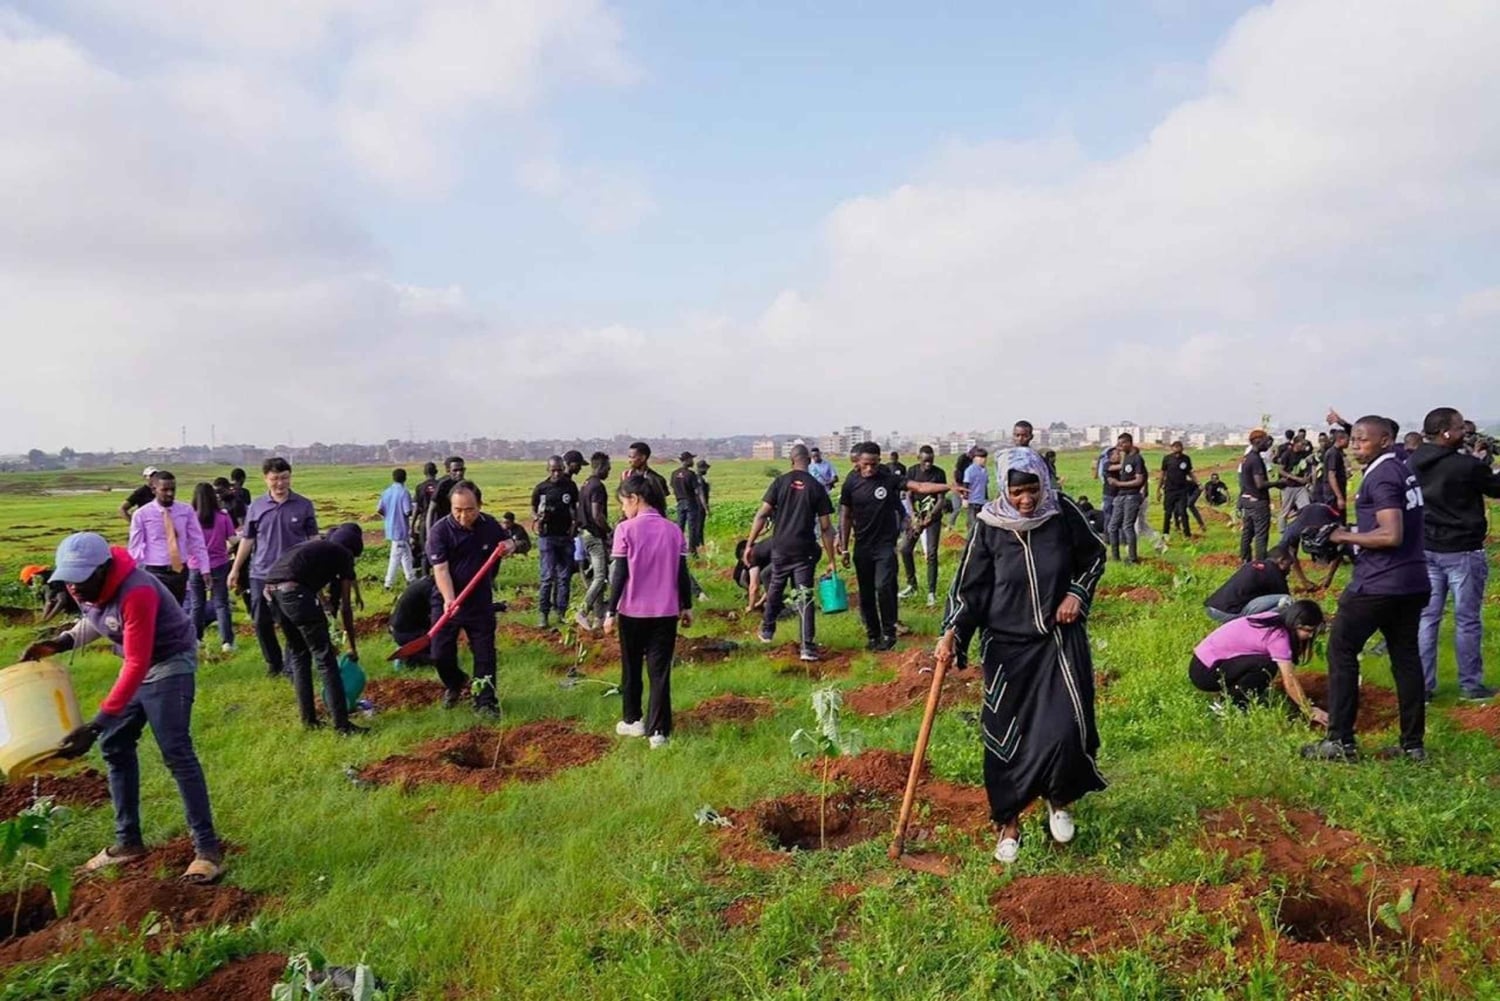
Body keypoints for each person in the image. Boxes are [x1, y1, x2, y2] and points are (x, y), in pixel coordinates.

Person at [935, 448, 1107, 864]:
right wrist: (953, 631)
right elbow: (970, 588)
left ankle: (1059, 799)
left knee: (1065, 728)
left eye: (1032, 489)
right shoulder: (989, 526)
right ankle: (1009, 824)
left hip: (1056, 640)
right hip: (1006, 646)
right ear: (1003, 489)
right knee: (1005, 738)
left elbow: (1094, 555)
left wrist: (1075, 593)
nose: (1026, 500)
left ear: (1044, 484)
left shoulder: (1061, 512)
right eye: (1017, 492)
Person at [20, 533, 223, 883]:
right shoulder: (82, 587)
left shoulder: (137, 591)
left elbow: (137, 663)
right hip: (138, 662)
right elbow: (98, 618)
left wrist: (96, 723)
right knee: (115, 745)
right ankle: (127, 842)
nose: (75, 587)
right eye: (69, 579)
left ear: (105, 569)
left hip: (170, 661)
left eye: (82, 579)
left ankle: (208, 850)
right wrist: (61, 641)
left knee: (176, 751)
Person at [1303, 416, 1431, 763]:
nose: (1356, 444)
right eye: (1353, 438)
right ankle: (1413, 746)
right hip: (1412, 581)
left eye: (1363, 439)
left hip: (1379, 583)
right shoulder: (1401, 467)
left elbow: (1391, 535)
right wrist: (1358, 531)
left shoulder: (1382, 475)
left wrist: (1342, 535)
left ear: (1386, 441)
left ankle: (1340, 741)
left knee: (1341, 651)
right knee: (1406, 659)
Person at [1410, 407, 1500, 701]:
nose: (1466, 432)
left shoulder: (1412, 462)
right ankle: (1471, 685)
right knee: (1467, 619)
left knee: (1427, 618)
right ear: (1446, 432)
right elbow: (1496, 488)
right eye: (1461, 427)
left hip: (1427, 548)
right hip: (1463, 550)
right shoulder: (1466, 466)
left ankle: (1423, 686)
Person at [604, 476, 693, 749]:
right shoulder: (674, 530)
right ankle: (659, 733)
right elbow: (682, 574)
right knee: (659, 674)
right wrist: (686, 606)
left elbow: (619, 574)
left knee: (631, 668)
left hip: (632, 613)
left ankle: (633, 720)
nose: (623, 510)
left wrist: (610, 610)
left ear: (635, 499)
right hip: (666, 613)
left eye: (623, 503)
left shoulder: (625, 529)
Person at [839, 441, 949, 651]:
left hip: (885, 545)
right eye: (865, 464)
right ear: (858, 463)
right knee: (867, 593)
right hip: (862, 547)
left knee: (883, 587)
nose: (869, 468)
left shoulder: (888, 478)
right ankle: (873, 636)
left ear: (879, 461)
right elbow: (845, 514)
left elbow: (919, 487)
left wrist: (950, 486)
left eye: (873, 463)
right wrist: (844, 547)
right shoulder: (851, 482)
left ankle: (889, 632)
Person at [261, 527, 367, 734]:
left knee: (300, 654)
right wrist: (352, 646)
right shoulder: (343, 554)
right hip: (293, 592)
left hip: (271, 593)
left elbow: (305, 576)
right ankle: (342, 726)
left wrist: (323, 602)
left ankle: (309, 720)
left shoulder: (317, 547)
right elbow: (346, 607)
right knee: (325, 658)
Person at [744, 443, 839, 661]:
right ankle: (807, 647)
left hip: (780, 547)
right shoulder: (816, 487)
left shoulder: (780, 482)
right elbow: (826, 527)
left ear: (791, 460)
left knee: (776, 584)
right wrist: (831, 559)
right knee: (804, 595)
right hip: (804, 550)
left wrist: (750, 544)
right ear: (808, 460)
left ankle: (767, 629)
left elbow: (762, 515)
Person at [428, 481, 515, 716]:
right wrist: (449, 599)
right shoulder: (440, 531)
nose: (462, 515)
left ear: (479, 505)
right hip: (447, 601)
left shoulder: (489, 525)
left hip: (479, 600)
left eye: (469, 509)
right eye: (457, 510)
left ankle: (485, 701)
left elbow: (510, 541)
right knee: (439, 654)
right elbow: (441, 570)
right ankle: (456, 683)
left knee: (485, 653)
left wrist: (510, 545)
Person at [228, 457, 319, 678]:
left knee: (291, 622)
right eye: (275, 479)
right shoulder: (256, 507)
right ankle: (273, 663)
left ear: (290, 477)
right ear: (265, 479)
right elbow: (247, 540)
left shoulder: (303, 505)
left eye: (284, 478)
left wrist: (318, 568)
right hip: (261, 573)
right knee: (261, 622)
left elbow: (313, 538)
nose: (280, 483)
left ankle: (292, 665)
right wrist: (236, 569)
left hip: (293, 574)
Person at [1189, 601, 1327, 722]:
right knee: (1266, 667)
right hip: (1205, 672)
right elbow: (1289, 680)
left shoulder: (1272, 618)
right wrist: (1309, 709)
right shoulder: (1279, 637)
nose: (1309, 635)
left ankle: (1233, 694)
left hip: (1203, 663)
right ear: (1295, 623)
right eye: (1308, 630)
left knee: (1264, 664)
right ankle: (1229, 706)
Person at [127, 470, 210, 605]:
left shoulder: (186, 511)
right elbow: (135, 547)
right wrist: (131, 574)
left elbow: (197, 541)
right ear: (154, 490)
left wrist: (205, 569)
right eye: (165, 490)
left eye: (172, 489)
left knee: (177, 611)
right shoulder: (142, 514)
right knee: (157, 611)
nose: (170, 494)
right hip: (155, 571)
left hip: (179, 571)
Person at [186, 483, 236, 652]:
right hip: (219, 564)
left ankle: (196, 639)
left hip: (195, 566)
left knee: (196, 604)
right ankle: (227, 642)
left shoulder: (190, 518)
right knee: (221, 604)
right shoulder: (223, 517)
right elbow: (233, 540)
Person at [529, 456, 577, 629]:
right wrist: (537, 518)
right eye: (553, 470)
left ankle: (561, 612)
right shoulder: (541, 488)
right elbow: (533, 508)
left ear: (563, 468)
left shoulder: (570, 486)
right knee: (547, 577)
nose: (556, 473)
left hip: (565, 537)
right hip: (547, 537)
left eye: (559, 469)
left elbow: (574, 508)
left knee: (564, 578)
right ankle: (543, 614)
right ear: (547, 470)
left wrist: (574, 525)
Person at [898, 445, 947, 606]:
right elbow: (909, 495)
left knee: (931, 553)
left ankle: (931, 592)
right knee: (905, 548)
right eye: (925, 461)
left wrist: (931, 516)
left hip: (933, 517)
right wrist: (913, 516)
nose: (928, 464)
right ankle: (912, 585)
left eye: (931, 461)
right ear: (919, 459)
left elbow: (941, 499)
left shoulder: (939, 473)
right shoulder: (912, 471)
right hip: (917, 517)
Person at [575, 452, 614, 631]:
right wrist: (610, 531)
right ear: (601, 466)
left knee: (601, 576)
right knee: (600, 576)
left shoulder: (585, 484)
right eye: (608, 466)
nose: (610, 470)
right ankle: (582, 611)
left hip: (585, 534)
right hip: (594, 536)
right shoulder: (597, 486)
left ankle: (598, 618)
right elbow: (597, 515)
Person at [1204, 546, 1294, 622]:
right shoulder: (1274, 572)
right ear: (1281, 561)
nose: (1290, 570)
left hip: (1212, 608)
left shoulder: (1253, 564)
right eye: (1289, 565)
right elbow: (1288, 599)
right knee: (1286, 601)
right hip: (1228, 613)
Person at [1105, 434, 1147, 562]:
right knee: (1112, 527)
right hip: (1120, 496)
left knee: (1127, 526)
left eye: (1122, 443)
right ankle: (1115, 557)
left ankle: (1132, 558)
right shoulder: (1125, 459)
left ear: (1129, 443)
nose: (1120, 446)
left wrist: (1119, 484)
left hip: (1131, 496)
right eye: (1119, 443)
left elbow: (1139, 480)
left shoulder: (1137, 459)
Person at [1237, 429, 1274, 562]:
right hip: (1258, 502)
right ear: (1258, 441)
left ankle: (1244, 560)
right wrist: (1277, 483)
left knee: (1247, 533)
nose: (1268, 443)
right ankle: (1260, 565)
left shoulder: (1247, 458)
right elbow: (1260, 484)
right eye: (1265, 440)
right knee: (1260, 535)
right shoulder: (1256, 460)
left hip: (1248, 500)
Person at [376, 468, 414, 589]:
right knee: (396, 557)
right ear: (405, 478)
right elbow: (407, 511)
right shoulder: (404, 492)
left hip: (390, 527)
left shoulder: (386, 492)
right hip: (400, 529)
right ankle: (388, 583)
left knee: (406, 555)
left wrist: (389, 516)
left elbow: (379, 509)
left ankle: (411, 578)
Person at [670, 452, 708, 557]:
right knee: (692, 527)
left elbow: (672, 487)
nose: (692, 461)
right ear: (686, 460)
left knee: (679, 527)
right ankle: (692, 551)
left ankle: (677, 549)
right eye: (691, 459)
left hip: (679, 502)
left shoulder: (674, 474)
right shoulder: (690, 474)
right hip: (691, 503)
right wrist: (705, 507)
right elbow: (698, 491)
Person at [1158, 441, 1195, 539]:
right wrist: (1159, 489)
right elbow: (1162, 474)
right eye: (1175, 447)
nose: (1177, 449)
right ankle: (1166, 533)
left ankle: (1187, 534)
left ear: (1182, 448)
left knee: (1183, 512)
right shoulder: (1167, 459)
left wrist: (1197, 482)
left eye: (1179, 447)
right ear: (1172, 448)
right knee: (1168, 512)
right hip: (1169, 489)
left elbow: (1189, 472)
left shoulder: (1186, 459)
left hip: (1182, 489)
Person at [410, 461, 440, 575]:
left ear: (424, 473)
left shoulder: (420, 487)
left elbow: (416, 509)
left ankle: (425, 577)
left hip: (424, 521)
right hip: (438, 520)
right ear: (436, 472)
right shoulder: (440, 485)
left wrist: (412, 526)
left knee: (424, 551)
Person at [428, 456, 468, 531]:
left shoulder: (465, 485)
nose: (459, 473)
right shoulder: (443, 485)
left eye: (462, 470)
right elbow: (431, 510)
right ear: (448, 471)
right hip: (443, 526)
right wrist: (429, 533)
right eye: (455, 470)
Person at [961, 447, 990, 534]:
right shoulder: (969, 470)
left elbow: (984, 486)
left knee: (982, 524)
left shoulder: (984, 470)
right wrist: (965, 498)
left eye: (985, 458)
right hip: (972, 501)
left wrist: (986, 498)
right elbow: (966, 484)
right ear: (975, 458)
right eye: (981, 458)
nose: (984, 460)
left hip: (982, 501)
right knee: (972, 524)